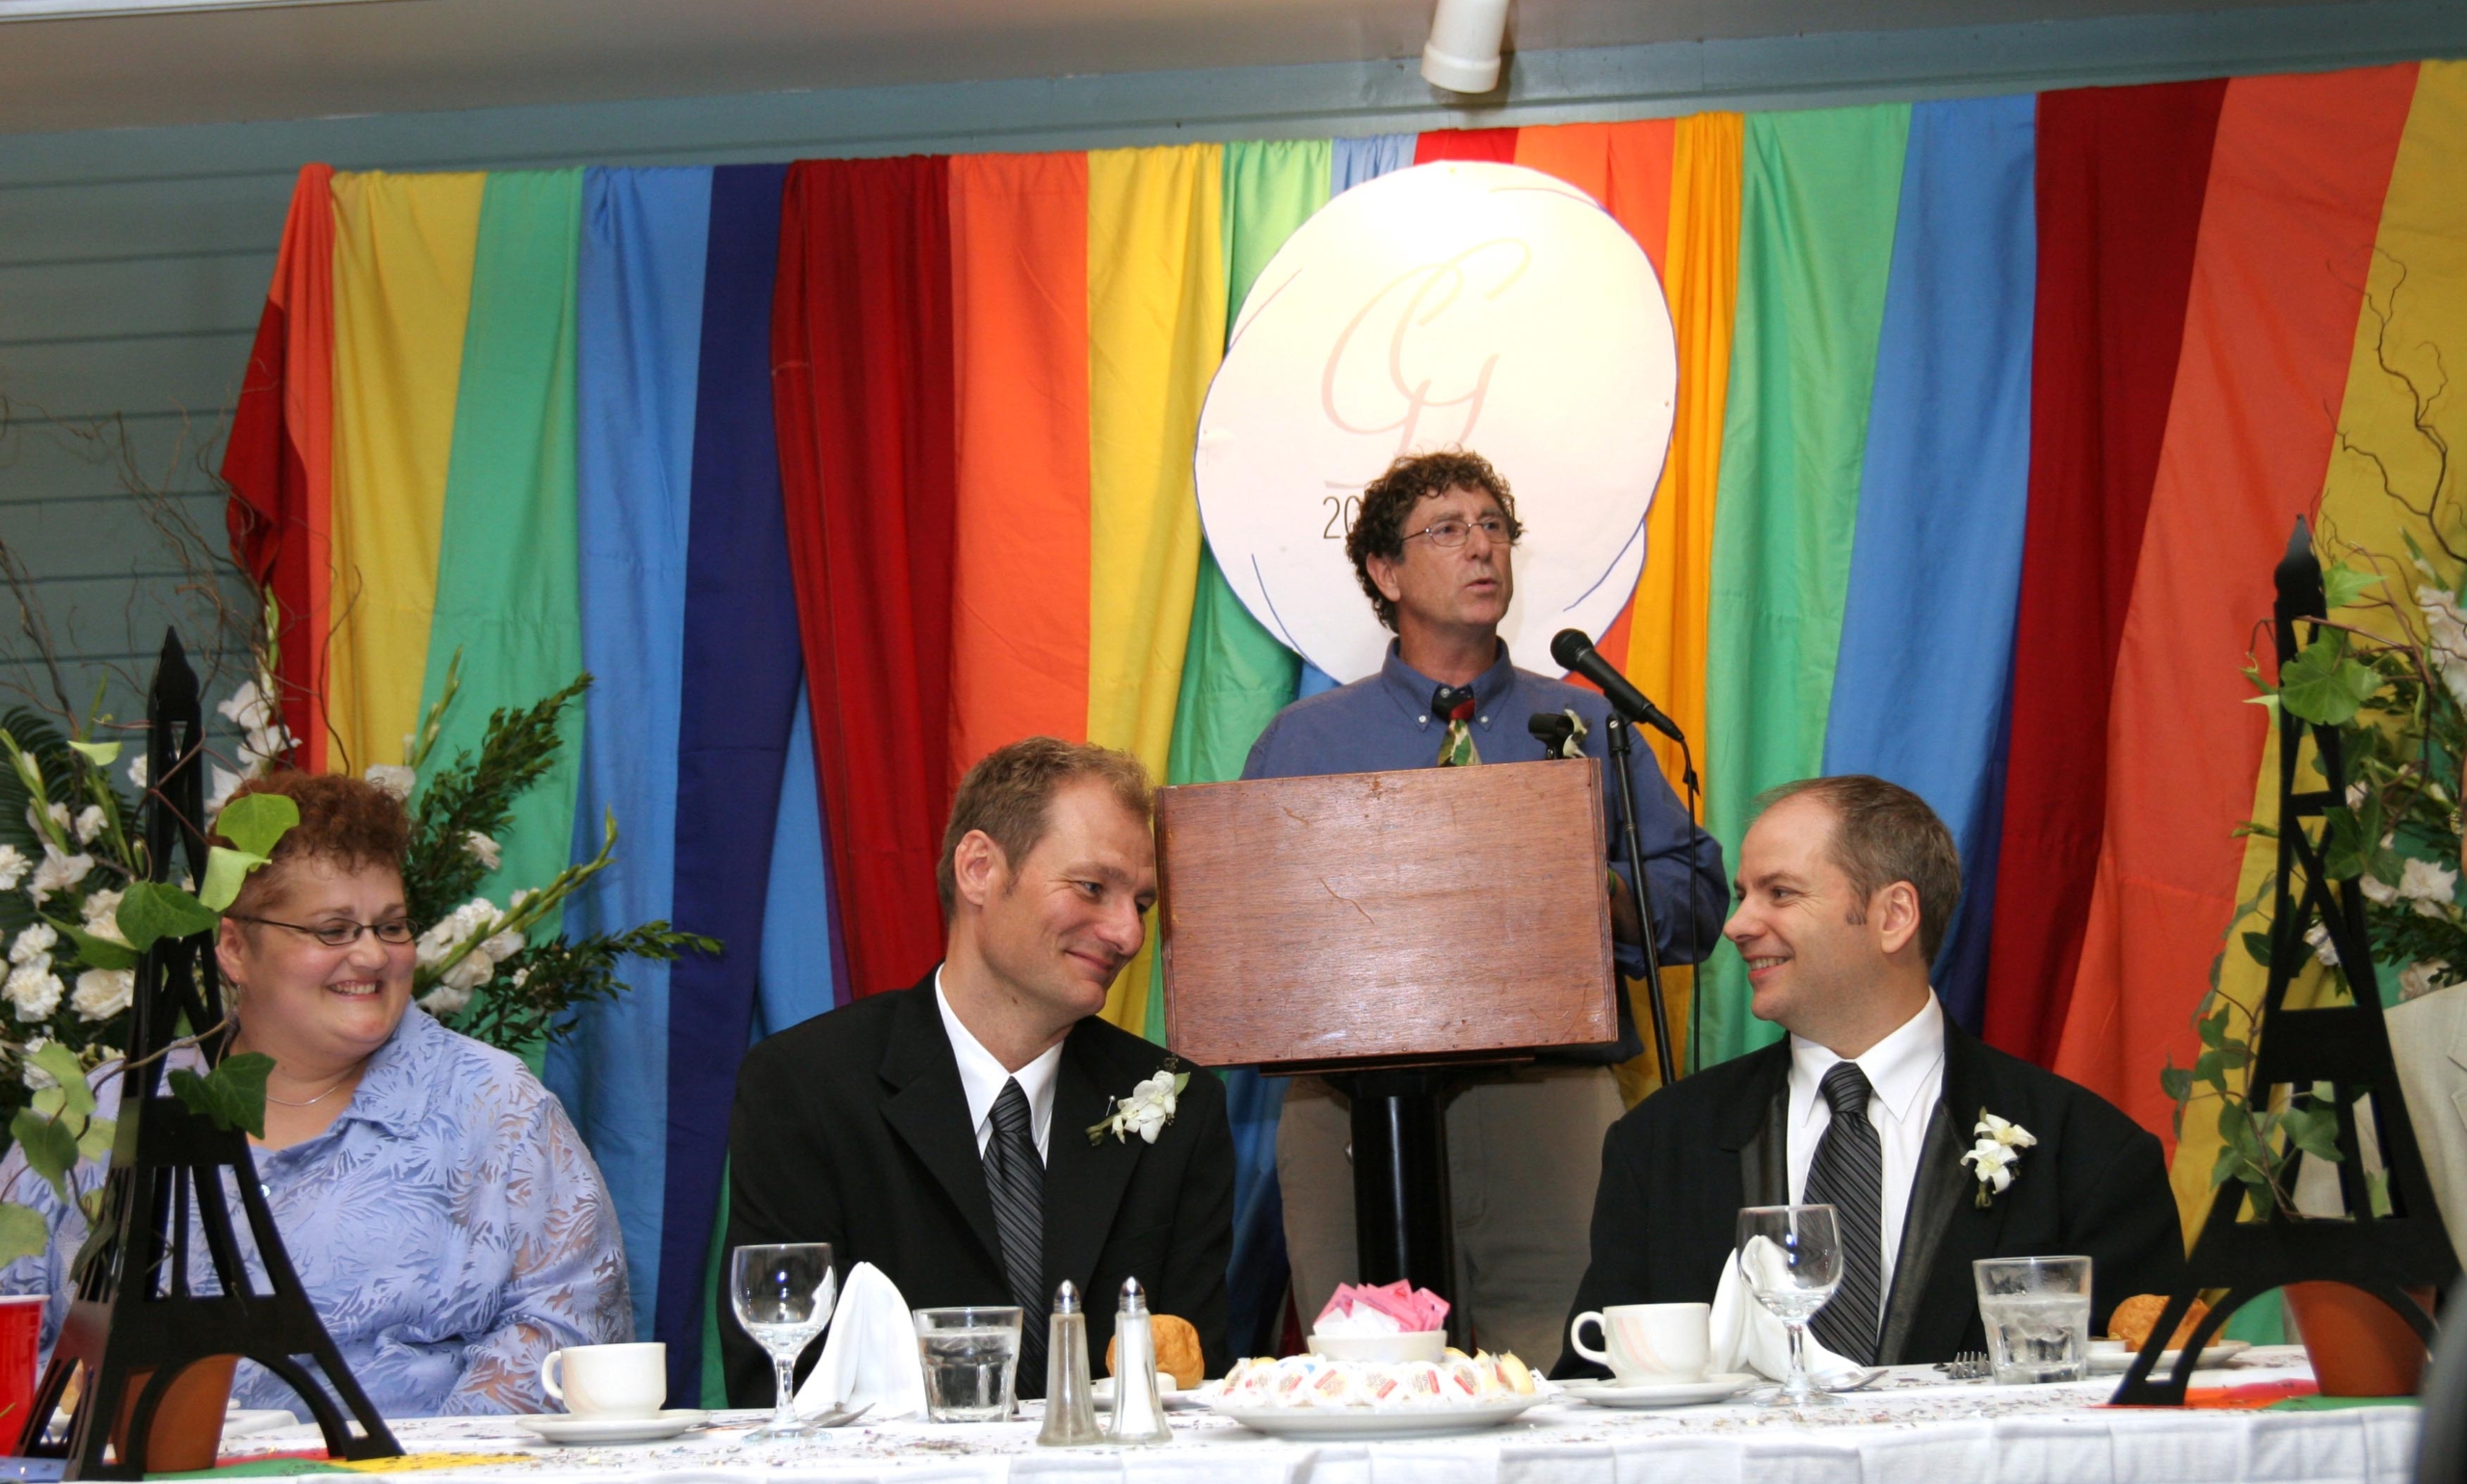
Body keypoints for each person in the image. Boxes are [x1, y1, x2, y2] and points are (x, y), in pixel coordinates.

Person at [1244, 449, 1728, 1366]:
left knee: (1565, 1375)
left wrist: (1590, 890)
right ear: (1385, 573)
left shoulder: (1593, 724)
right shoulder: (1305, 741)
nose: (1482, 548)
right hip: (1348, 1108)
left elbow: (1699, 898)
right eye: (1448, 529)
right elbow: (1255, 934)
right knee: (1369, 1380)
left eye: (1495, 526)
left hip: (1548, 1097)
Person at [0, 771, 632, 1417]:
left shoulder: (498, 1110)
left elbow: (568, 1332)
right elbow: (11, 1330)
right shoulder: (105, 1115)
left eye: (391, 926)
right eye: (333, 929)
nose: (371, 956)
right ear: (234, 946)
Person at [1553, 776, 2186, 1374]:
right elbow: (1593, 1386)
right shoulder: (1658, 1146)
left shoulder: (2089, 1155)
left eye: (1779, 892)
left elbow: (2138, 1417)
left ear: (1894, 915)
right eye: (1744, 893)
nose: (1737, 924)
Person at [721, 737, 1235, 1402]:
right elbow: (775, 1380)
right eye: (1092, 887)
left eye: (1140, 903)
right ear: (979, 869)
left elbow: (1195, 1391)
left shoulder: (1175, 1104)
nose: (1128, 935)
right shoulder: (804, 1087)